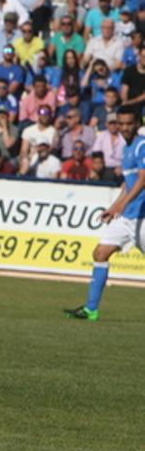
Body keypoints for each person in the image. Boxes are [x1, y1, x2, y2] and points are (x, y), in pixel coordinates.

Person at [65, 130, 145, 322]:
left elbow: (143, 179)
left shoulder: (142, 146)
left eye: (129, 123)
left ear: (135, 124)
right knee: (100, 254)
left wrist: (125, 204)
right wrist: (115, 207)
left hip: (142, 218)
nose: (125, 127)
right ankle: (91, 309)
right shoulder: (127, 149)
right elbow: (128, 184)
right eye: (121, 124)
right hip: (126, 219)